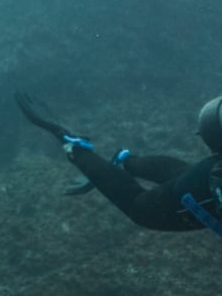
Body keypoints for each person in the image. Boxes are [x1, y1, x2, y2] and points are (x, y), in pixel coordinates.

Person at [15, 91, 222, 236]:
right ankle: (72, 145)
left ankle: (125, 161)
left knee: (182, 175)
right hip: (203, 186)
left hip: (207, 172)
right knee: (139, 206)